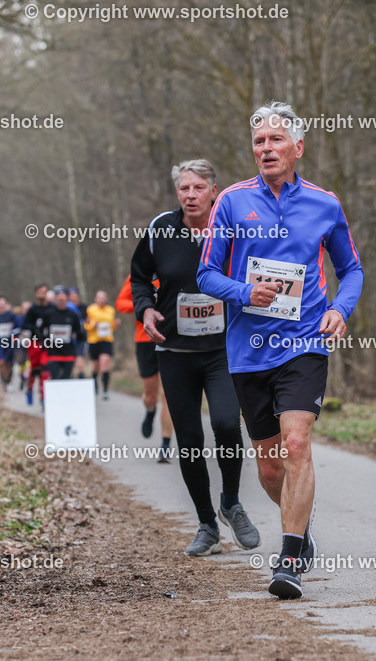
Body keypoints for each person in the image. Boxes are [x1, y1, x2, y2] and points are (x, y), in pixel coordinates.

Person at [197, 102, 363, 599]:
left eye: (275, 140)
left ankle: (289, 555)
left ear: (298, 147)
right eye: (258, 142)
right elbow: (206, 275)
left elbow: (351, 268)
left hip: (305, 341)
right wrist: (246, 293)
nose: (265, 149)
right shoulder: (230, 201)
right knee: (269, 462)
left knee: (296, 445)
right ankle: (301, 526)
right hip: (248, 347)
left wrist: (341, 309)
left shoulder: (324, 203)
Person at [132, 158, 261, 556]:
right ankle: (207, 524)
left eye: (198, 188)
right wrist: (145, 309)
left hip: (223, 348)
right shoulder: (161, 229)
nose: (190, 195)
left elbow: (255, 271)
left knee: (225, 424)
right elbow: (139, 276)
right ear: (177, 193)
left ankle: (231, 503)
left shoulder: (232, 226)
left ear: (213, 190)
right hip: (174, 350)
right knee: (188, 440)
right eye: (184, 188)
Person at [115, 276, 174, 461]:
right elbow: (120, 303)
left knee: (169, 395)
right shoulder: (139, 275)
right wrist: (145, 305)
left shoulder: (174, 267)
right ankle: (150, 411)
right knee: (150, 396)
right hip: (144, 339)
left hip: (170, 338)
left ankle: (165, 444)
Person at [43, 286, 84, 380]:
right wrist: (45, 344)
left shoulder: (73, 315)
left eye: (63, 296)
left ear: (67, 298)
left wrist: (77, 346)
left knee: (66, 379)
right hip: (53, 353)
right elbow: (42, 331)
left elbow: (79, 332)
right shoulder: (49, 314)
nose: (61, 299)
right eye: (59, 296)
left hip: (68, 353)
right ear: (55, 298)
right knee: (55, 378)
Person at [22, 284, 53, 406]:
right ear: (36, 293)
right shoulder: (33, 309)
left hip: (47, 343)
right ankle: (29, 390)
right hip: (34, 342)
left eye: (44, 291)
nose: (42, 294)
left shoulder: (51, 308)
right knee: (35, 370)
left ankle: (44, 397)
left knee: (44, 370)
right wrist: (36, 328)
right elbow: (25, 325)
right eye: (40, 291)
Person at [84, 290, 117, 400]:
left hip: (107, 340)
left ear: (106, 299)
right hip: (94, 341)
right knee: (96, 366)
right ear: (96, 299)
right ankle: (95, 384)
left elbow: (111, 326)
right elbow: (86, 326)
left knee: (105, 364)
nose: (102, 299)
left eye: (103, 297)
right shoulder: (90, 310)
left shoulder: (111, 310)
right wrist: (94, 325)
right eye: (99, 297)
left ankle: (105, 390)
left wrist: (115, 324)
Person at [0, 296, 20, 392]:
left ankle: (8, 381)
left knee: (9, 364)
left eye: (3, 304)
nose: (1, 306)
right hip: (0, 342)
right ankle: (3, 382)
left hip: (10, 343)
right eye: (0, 304)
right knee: (1, 362)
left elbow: (17, 329)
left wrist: (12, 332)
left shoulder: (11, 316)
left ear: (6, 304)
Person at [67, 288, 89, 379]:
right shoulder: (66, 307)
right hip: (68, 339)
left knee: (80, 359)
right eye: (71, 295)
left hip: (81, 337)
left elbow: (88, 320)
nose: (74, 297)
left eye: (75, 295)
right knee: (70, 362)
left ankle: (81, 377)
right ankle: (70, 380)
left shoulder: (84, 307)